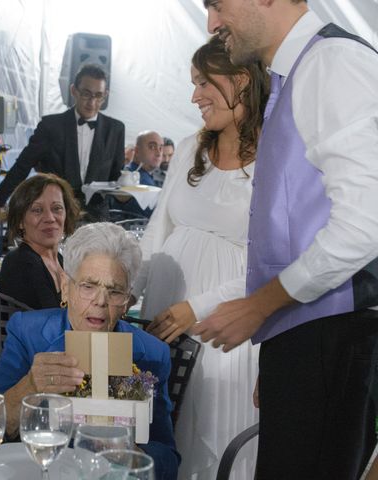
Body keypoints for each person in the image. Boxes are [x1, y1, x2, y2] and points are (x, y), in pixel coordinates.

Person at [194, 1, 378, 479]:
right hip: (304, 336)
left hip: (333, 337)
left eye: (217, 4)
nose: (212, 23)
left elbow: (366, 223)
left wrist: (260, 307)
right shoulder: (294, 72)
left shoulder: (333, 63)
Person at [132, 35, 268, 479]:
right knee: (158, 431)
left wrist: (198, 307)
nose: (194, 96)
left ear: (242, 80)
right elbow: (158, 231)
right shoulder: (190, 145)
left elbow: (270, 260)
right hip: (162, 316)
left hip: (224, 329)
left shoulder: (276, 154)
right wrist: (127, 290)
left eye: (204, 82)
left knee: (210, 437)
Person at [0, 223, 180, 480]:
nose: (100, 301)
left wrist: (130, 452)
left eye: (114, 291)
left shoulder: (153, 354)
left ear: (126, 302)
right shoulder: (27, 333)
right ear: (66, 288)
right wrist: (30, 386)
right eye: (88, 286)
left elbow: (168, 460)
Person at [0, 64, 125, 220]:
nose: (92, 102)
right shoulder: (51, 126)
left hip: (97, 221)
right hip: (56, 217)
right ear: (74, 90)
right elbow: (23, 165)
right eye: (86, 94)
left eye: (98, 96)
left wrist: (129, 192)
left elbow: (117, 178)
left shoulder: (116, 130)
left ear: (105, 95)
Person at [0, 173, 80, 309]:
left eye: (57, 208)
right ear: (20, 221)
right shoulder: (21, 264)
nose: (50, 218)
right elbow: (50, 325)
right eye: (37, 210)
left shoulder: (59, 259)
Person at [110, 131, 163, 217]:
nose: (158, 153)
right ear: (137, 151)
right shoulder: (130, 178)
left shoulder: (144, 175)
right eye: (152, 147)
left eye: (161, 148)